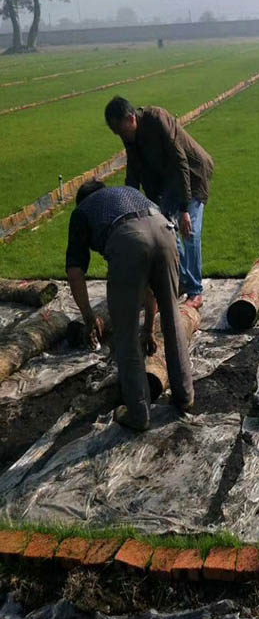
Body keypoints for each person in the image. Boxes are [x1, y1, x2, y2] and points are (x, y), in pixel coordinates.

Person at [65, 180, 194, 431]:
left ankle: (138, 413)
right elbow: (148, 281)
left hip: (127, 239)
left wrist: (89, 317)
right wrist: (149, 328)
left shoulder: (82, 212)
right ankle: (185, 396)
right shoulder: (129, 194)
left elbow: (75, 273)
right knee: (172, 317)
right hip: (165, 230)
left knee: (125, 334)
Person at [104, 96, 214, 309]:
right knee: (167, 230)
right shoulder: (129, 137)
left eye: (122, 131)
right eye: (117, 134)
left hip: (191, 174)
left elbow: (180, 161)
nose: (122, 137)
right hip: (167, 183)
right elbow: (133, 173)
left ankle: (195, 291)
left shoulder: (157, 119)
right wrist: (128, 209)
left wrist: (184, 209)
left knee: (188, 232)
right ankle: (182, 279)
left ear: (130, 118)